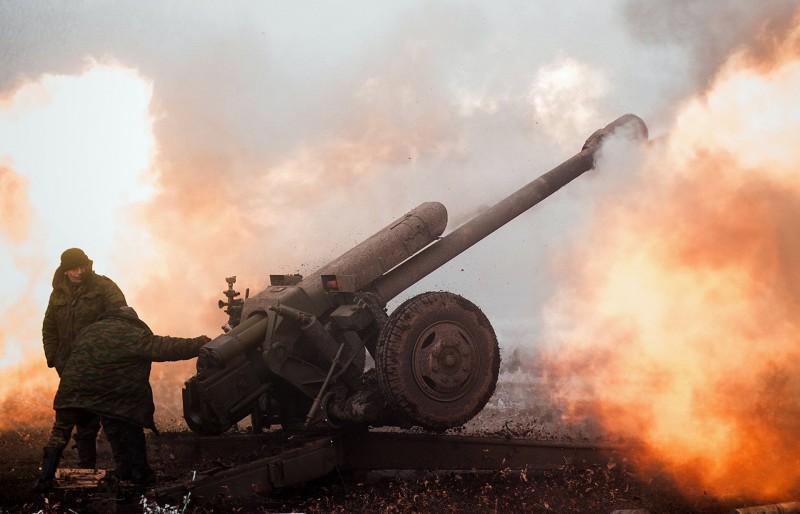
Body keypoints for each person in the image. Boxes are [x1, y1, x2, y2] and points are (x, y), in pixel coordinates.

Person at [35, 306, 210, 491]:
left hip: (71, 390)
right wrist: (199, 343)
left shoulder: (88, 331)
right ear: (132, 320)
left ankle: (44, 479)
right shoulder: (131, 333)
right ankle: (140, 472)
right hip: (109, 393)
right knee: (129, 420)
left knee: (60, 432)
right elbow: (165, 347)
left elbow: (67, 355)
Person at [41, 248, 127, 469]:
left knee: (113, 420)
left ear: (88, 265)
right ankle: (86, 469)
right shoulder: (58, 294)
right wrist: (54, 357)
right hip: (70, 368)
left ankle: (126, 472)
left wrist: (108, 356)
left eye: (82, 266)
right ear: (65, 270)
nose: (79, 272)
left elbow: (121, 319)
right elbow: (49, 327)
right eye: (73, 268)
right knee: (82, 420)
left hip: (101, 367)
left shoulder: (104, 287)